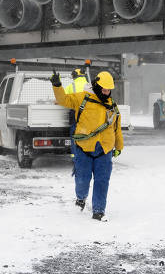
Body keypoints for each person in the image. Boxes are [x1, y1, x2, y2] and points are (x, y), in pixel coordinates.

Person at [51, 70, 123, 221]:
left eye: (109, 90)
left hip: (104, 149)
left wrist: (119, 146)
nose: (107, 92)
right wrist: (57, 85)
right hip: (84, 148)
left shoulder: (112, 107)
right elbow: (63, 99)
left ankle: (98, 211)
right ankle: (81, 198)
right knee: (82, 180)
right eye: (104, 89)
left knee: (102, 181)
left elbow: (116, 128)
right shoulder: (82, 99)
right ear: (96, 86)